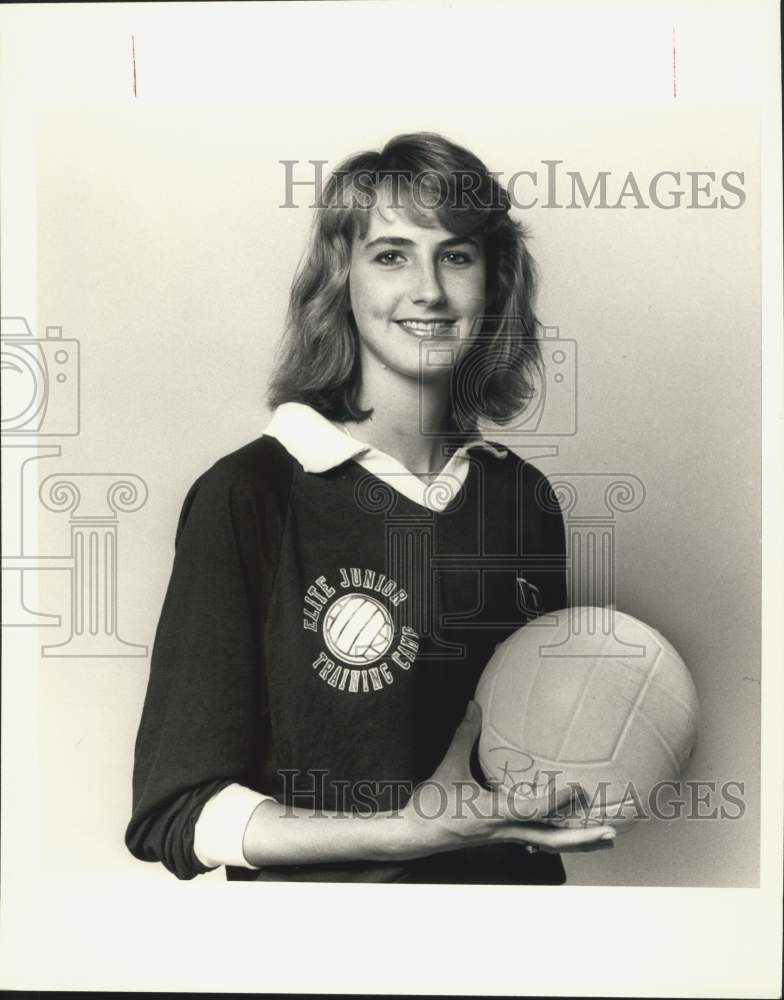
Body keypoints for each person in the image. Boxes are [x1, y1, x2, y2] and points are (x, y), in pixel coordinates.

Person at [125, 132, 616, 883]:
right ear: (339, 279)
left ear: (495, 280)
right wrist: (401, 835)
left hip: (515, 944)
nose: (428, 290)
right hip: (326, 959)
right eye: (390, 254)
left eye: (455, 255)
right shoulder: (250, 493)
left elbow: (532, 753)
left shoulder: (523, 499)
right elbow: (177, 812)